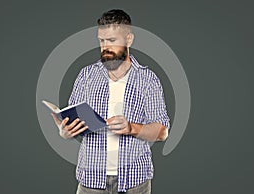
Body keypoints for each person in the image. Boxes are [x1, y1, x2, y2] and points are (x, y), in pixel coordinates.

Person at [51, 9, 170, 194]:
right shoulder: (86, 76)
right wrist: (65, 131)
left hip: (134, 180)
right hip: (90, 179)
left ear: (129, 39)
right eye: (101, 40)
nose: (105, 47)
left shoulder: (148, 79)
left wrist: (132, 128)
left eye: (112, 41)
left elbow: (162, 132)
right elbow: (74, 122)